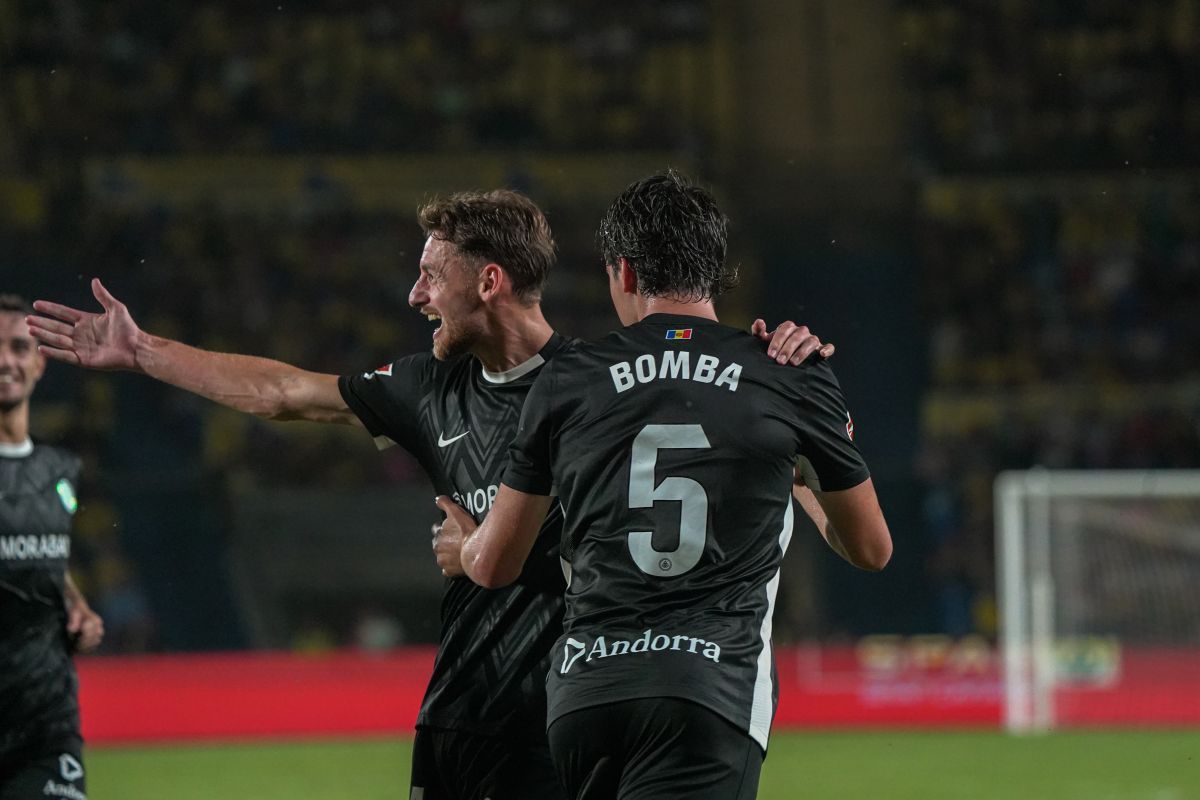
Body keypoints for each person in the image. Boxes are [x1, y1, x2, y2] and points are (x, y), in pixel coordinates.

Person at [27, 189, 831, 800]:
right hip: (461, 717)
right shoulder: (426, 391)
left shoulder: (605, 388)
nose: (414, 297)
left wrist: (486, 551)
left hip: (581, 714)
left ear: (488, 281)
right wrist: (145, 353)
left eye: (429, 276)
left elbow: (720, 496)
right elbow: (283, 392)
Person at [437, 172, 893, 800]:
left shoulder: (565, 381)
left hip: (584, 694)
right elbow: (871, 549)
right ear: (715, 271)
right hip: (707, 691)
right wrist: (800, 470)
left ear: (622, 271)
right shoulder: (789, 373)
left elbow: (495, 563)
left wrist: (463, 546)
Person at [0, 294, 104, 800]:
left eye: (19, 347)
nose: (5, 362)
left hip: (47, 723)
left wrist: (73, 603)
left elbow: (37, 556)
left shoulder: (61, 468)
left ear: (40, 362)